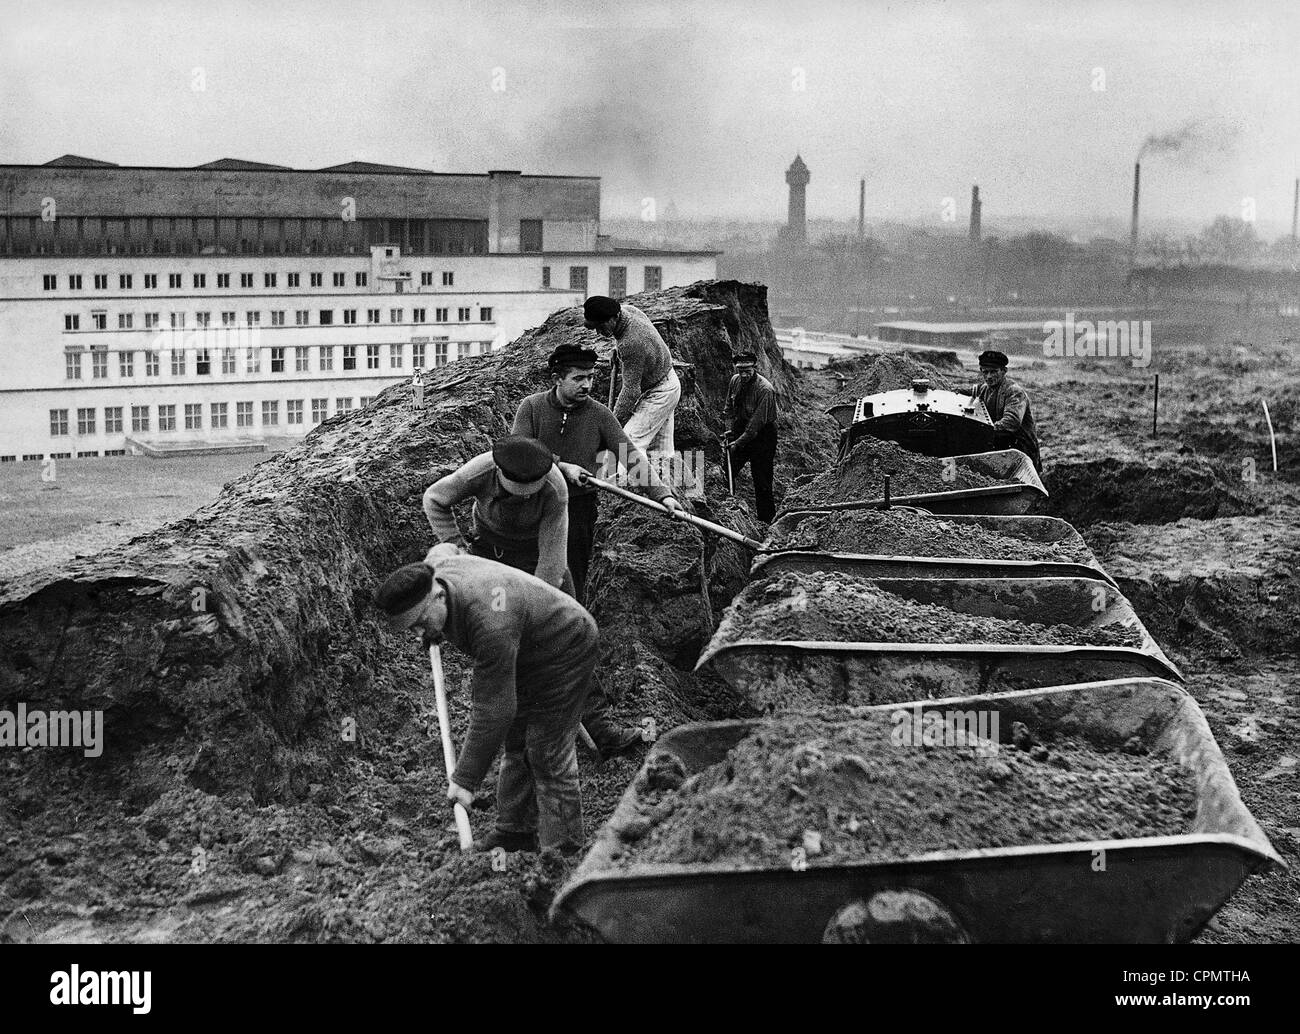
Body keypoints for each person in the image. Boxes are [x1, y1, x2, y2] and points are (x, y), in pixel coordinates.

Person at [512, 342, 684, 758]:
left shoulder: (599, 416)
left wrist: (663, 496)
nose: (588, 385)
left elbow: (631, 455)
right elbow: (516, 454)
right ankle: (536, 713)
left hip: (576, 522)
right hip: (528, 522)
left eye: (591, 377)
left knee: (570, 614)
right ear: (558, 378)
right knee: (527, 618)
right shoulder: (532, 409)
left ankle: (590, 718)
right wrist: (558, 464)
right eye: (579, 379)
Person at [375, 548, 598, 855]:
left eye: (421, 622)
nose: (419, 633)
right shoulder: (435, 567)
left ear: (439, 596)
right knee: (517, 739)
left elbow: (494, 710)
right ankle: (515, 832)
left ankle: (563, 851)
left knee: (546, 750)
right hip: (525, 647)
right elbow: (444, 548)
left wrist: (465, 780)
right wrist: (433, 628)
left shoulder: (490, 623)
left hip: (566, 645)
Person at [422, 435, 572, 593]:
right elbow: (434, 499)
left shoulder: (555, 489)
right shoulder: (481, 471)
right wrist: (457, 546)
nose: (523, 495)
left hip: (533, 554)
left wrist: (537, 599)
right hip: (487, 550)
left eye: (529, 491)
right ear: (499, 470)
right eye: (517, 489)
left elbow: (551, 564)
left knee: (566, 607)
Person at [583, 295, 680, 459]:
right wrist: (617, 350)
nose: (600, 332)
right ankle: (662, 483)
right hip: (667, 380)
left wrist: (612, 425)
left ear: (614, 317)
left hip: (661, 392)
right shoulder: (629, 310)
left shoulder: (630, 344)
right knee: (660, 453)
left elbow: (631, 392)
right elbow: (631, 338)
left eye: (601, 326)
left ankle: (625, 484)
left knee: (627, 447)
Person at [722, 351, 780, 523]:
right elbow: (729, 409)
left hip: (763, 435)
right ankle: (725, 507)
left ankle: (766, 521)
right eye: (741, 370)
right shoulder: (735, 381)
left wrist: (737, 443)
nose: (744, 374)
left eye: (747, 370)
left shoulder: (765, 389)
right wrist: (729, 432)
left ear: (755, 368)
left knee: (761, 480)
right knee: (727, 468)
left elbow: (755, 426)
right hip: (742, 427)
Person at [964, 349, 1042, 471]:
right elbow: (969, 391)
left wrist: (982, 431)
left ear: (1004, 371)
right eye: (985, 372)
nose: (989, 376)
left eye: (994, 372)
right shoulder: (985, 388)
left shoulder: (1014, 392)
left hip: (1020, 452)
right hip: (1002, 448)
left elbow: (1011, 422)